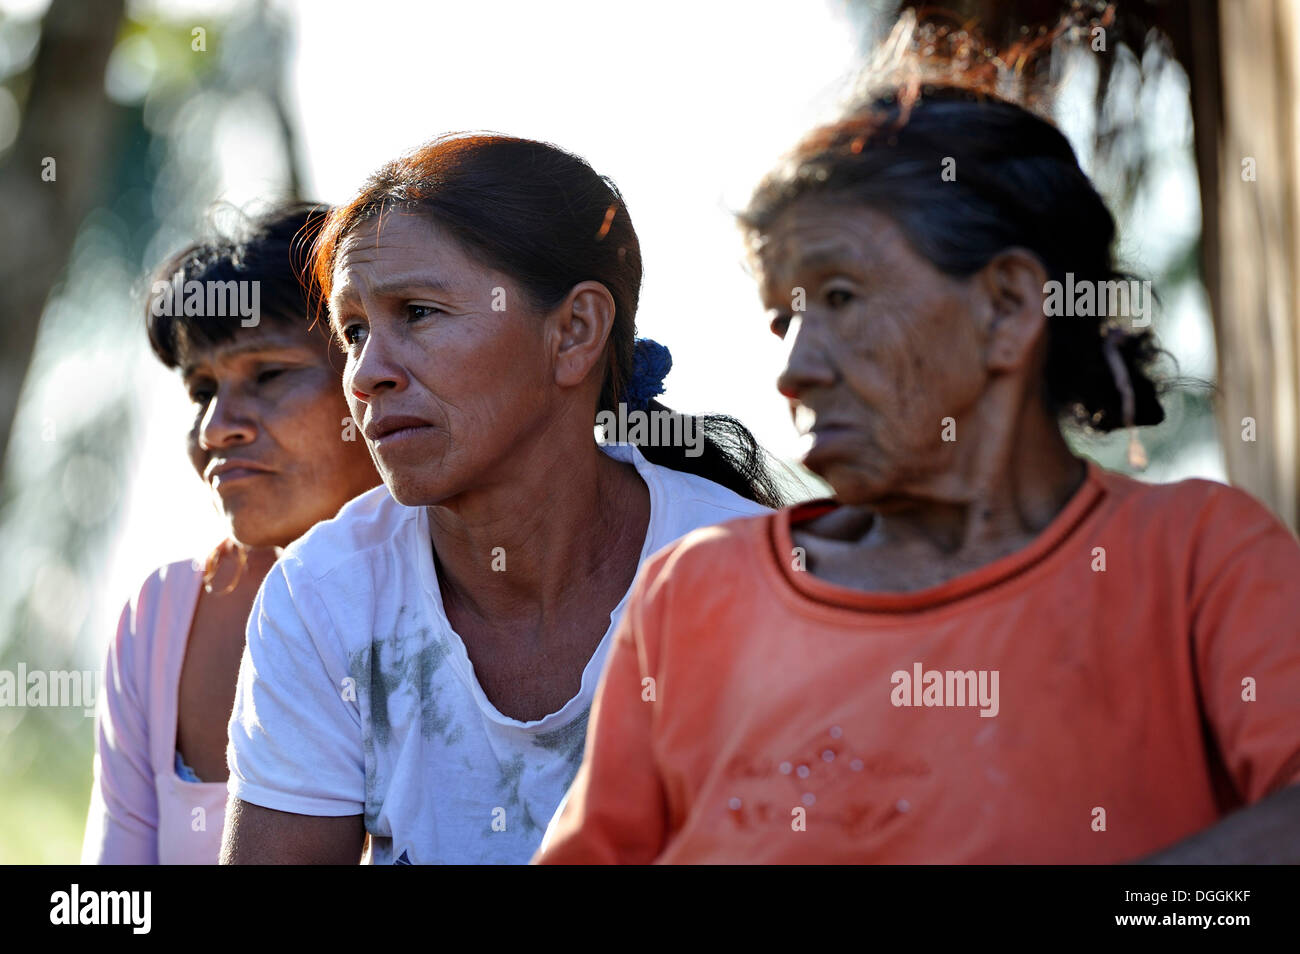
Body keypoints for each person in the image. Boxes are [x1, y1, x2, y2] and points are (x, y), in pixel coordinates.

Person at [534, 72, 1300, 863]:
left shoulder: (1195, 560)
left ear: (1006, 307)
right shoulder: (693, 594)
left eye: (838, 297)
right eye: (784, 317)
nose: (794, 370)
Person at [220, 134, 786, 865]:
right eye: (354, 330)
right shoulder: (326, 598)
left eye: (418, 313)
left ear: (575, 332)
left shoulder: (758, 585)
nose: (365, 375)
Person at [81, 203, 380, 864]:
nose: (217, 429)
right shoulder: (158, 625)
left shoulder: (474, 599)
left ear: (375, 375)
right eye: (201, 390)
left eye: (268, 374)